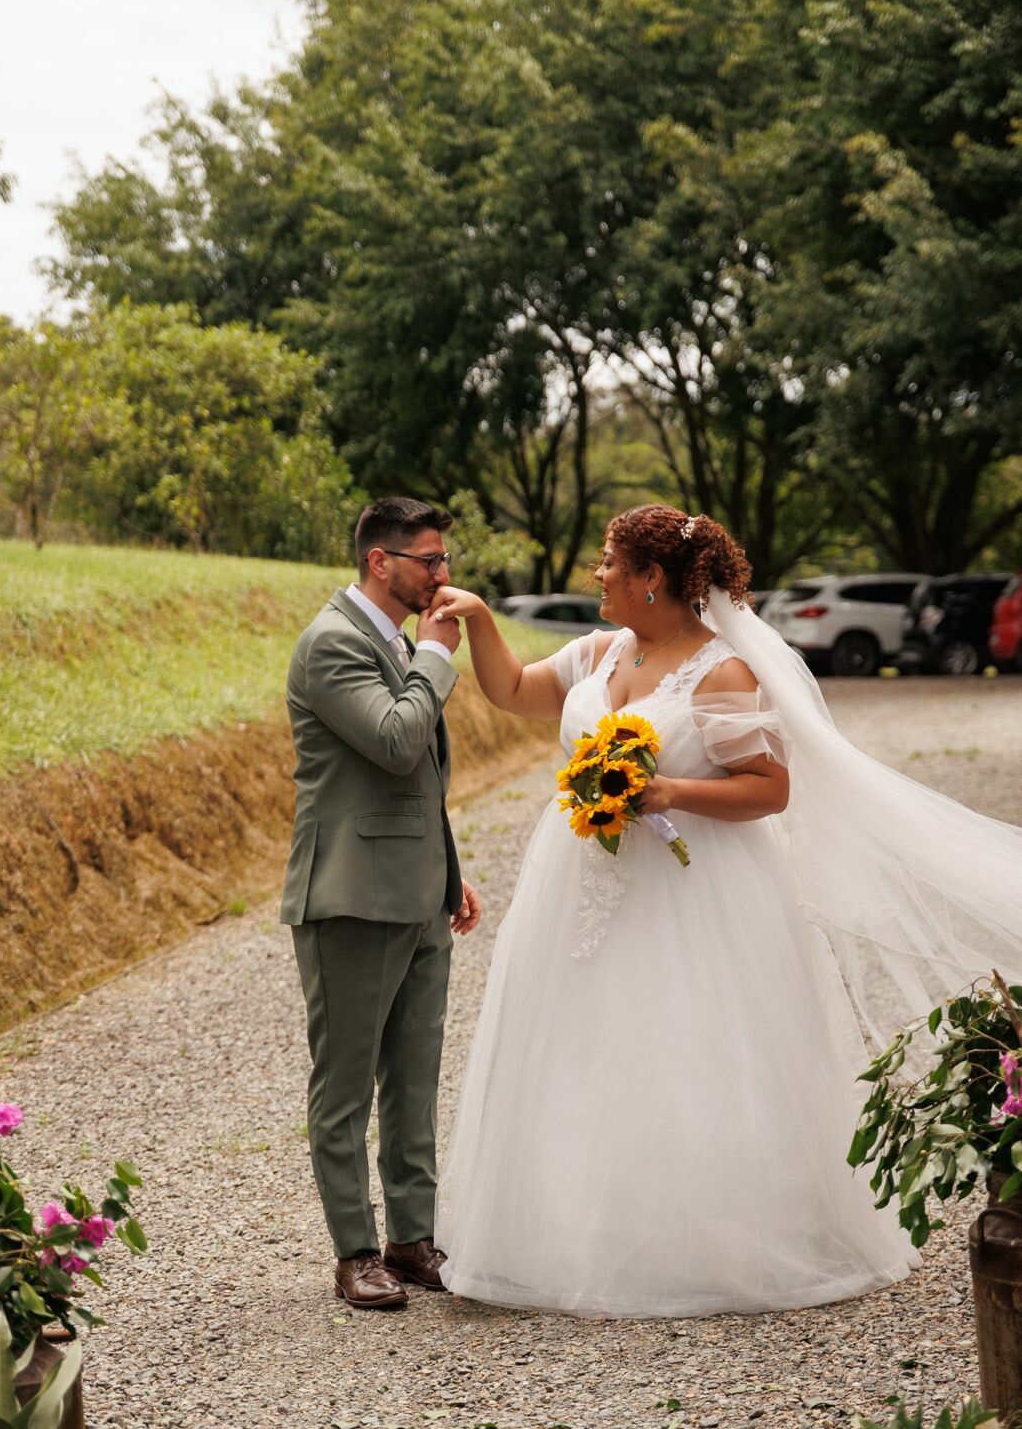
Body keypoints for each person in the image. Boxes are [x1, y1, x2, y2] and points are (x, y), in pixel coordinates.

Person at [431, 504, 1022, 1318]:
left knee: (687, 1045)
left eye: (608, 562)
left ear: (650, 579)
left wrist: (666, 789)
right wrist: (481, 622)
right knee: (579, 1043)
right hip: (579, 881)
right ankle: (579, 1227)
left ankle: (704, 1236)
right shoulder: (602, 652)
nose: (596, 575)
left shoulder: (721, 673)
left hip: (694, 891)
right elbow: (513, 692)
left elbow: (768, 789)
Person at [281, 496, 482, 1310]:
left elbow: (419, 785)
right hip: (351, 899)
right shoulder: (331, 644)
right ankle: (354, 1251)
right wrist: (436, 656)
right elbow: (397, 740)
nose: (442, 574)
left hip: (416, 895)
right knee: (345, 1085)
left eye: (442, 559)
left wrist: (447, 872)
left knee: (415, 1077)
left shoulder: (391, 636)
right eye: (429, 561)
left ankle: (409, 1239)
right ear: (380, 562)